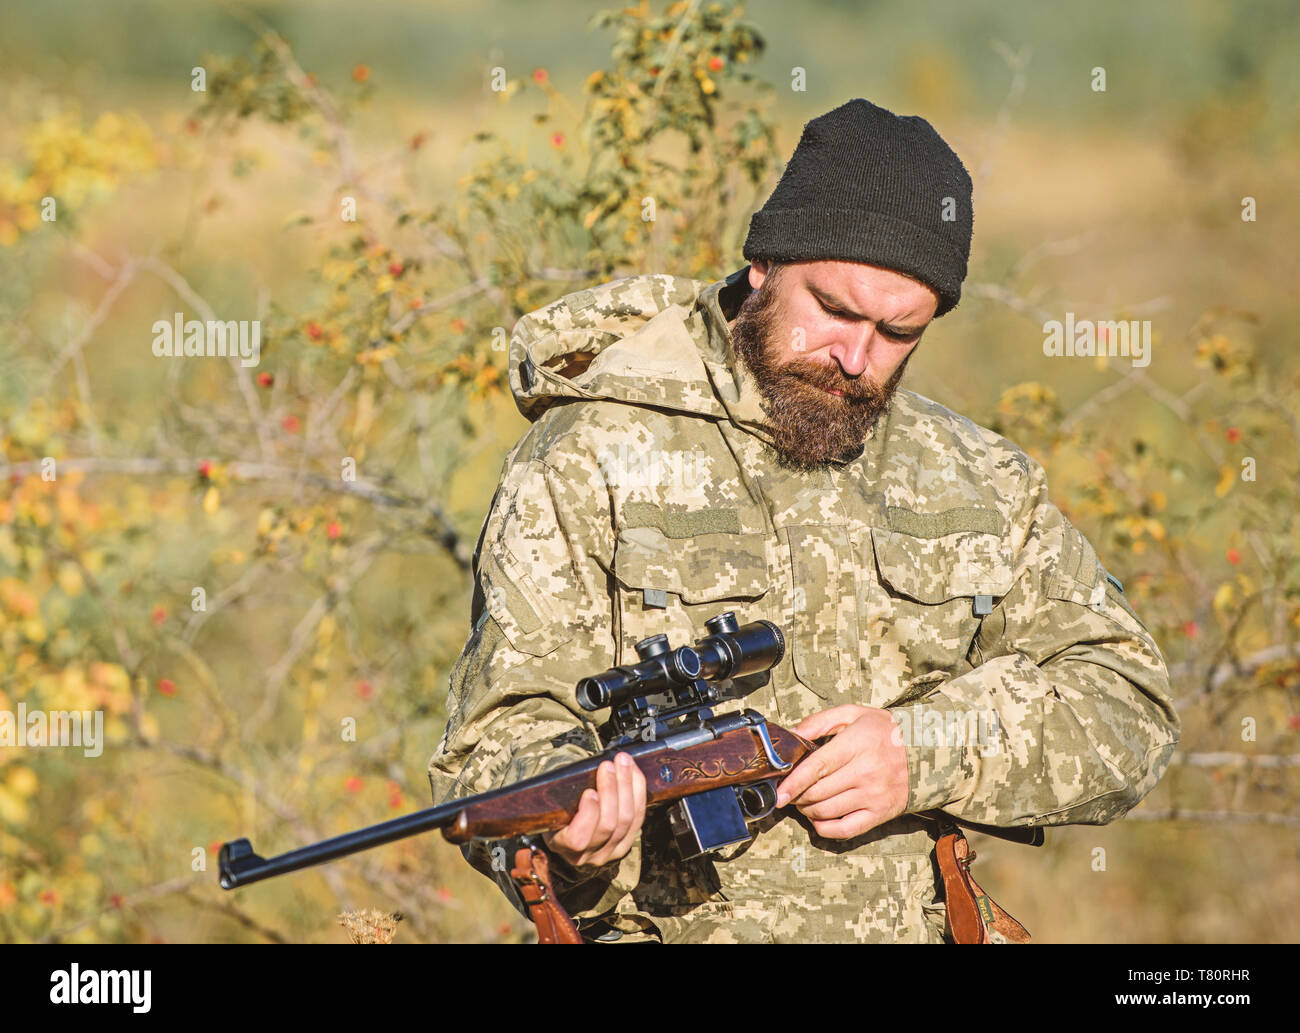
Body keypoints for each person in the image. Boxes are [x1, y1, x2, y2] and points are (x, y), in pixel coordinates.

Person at [427, 99, 1180, 943]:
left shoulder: (980, 478)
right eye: (834, 309)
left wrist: (922, 749)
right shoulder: (590, 450)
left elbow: (1129, 705)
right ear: (763, 265)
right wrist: (570, 838)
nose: (855, 357)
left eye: (899, 332)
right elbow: (495, 746)